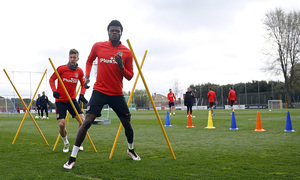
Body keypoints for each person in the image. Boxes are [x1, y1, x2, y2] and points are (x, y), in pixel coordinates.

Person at [63, 20, 140, 170]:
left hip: (117, 94)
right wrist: (86, 76)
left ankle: (131, 149)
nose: (114, 33)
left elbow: (130, 76)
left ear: (121, 33)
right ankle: (72, 158)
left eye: (117, 31)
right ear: (108, 32)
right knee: (87, 122)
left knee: (127, 124)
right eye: (112, 30)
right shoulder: (98, 46)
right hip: (99, 91)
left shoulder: (127, 52)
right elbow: (89, 60)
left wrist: (121, 67)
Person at [49, 49, 88, 153]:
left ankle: (78, 142)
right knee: (61, 124)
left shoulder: (79, 71)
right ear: (69, 58)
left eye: (74, 57)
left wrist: (82, 94)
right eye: (71, 57)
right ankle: (66, 142)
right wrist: (54, 91)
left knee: (82, 121)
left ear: (77, 58)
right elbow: (51, 79)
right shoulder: (61, 69)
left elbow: (83, 84)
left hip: (72, 100)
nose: (72, 59)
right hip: (60, 101)